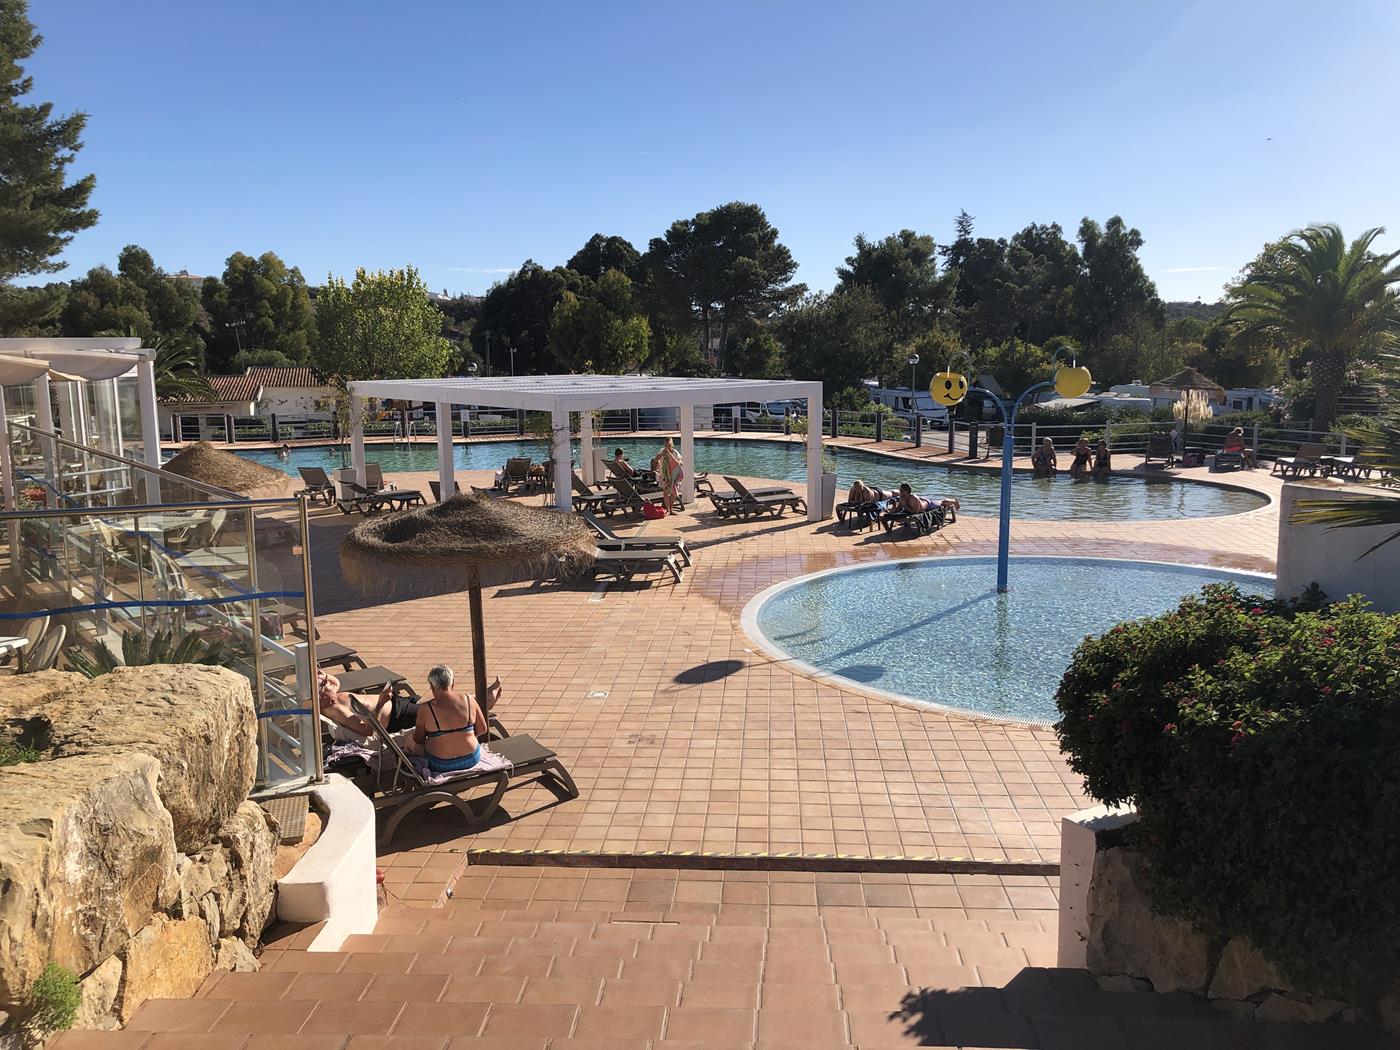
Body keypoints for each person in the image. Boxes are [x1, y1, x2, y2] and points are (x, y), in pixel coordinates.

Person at [402, 664, 487, 775]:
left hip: (440, 764)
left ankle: (406, 773)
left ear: (432, 686)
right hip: (471, 758)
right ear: (453, 682)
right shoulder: (469, 699)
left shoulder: (426, 709)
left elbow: (419, 740)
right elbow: (482, 729)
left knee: (410, 739)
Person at [317, 670, 417, 740]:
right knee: (427, 711)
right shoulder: (337, 710)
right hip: (399, 716)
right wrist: (381, 703)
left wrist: (323, 676)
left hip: (397, 705)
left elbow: (336, 682)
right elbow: (368, 731)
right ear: (320, 698)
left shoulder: (332, 699)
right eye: (325, 683)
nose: (330, 682)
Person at [651, 436, 684, 513]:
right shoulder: (661, 451)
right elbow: (656, 460)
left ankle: (671, 509)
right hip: (664, 475)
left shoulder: (675, 452)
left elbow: (680, 462)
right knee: (665, 492)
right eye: (666, 445)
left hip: (672, 476)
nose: (667, 447)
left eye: (669, 445)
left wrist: (675, 460)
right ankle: (668, 509)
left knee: (673, 493)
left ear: (672, 444)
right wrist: (662, 454)